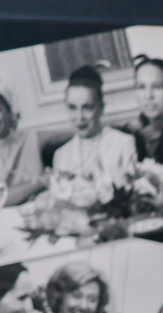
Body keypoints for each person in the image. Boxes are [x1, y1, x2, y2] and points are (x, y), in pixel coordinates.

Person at [49, 65, 137, 209]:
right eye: (72, 108)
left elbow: (130, 193)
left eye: (87, 108)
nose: (79, 117)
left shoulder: (124, 143)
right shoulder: (61, 155)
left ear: (101, 108)